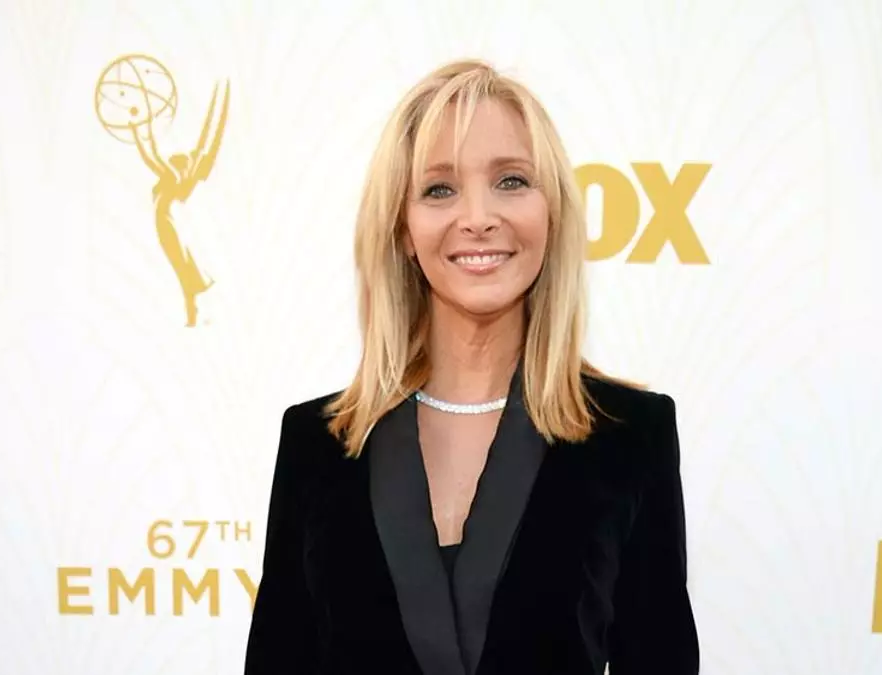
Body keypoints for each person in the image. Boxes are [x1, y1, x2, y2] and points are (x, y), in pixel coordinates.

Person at [244, 59, 699, 675]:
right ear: (403, 229)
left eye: (511, 180)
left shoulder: (631, 435)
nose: (478, 217)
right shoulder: (318, 444)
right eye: (440, 189)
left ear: (552, 213)